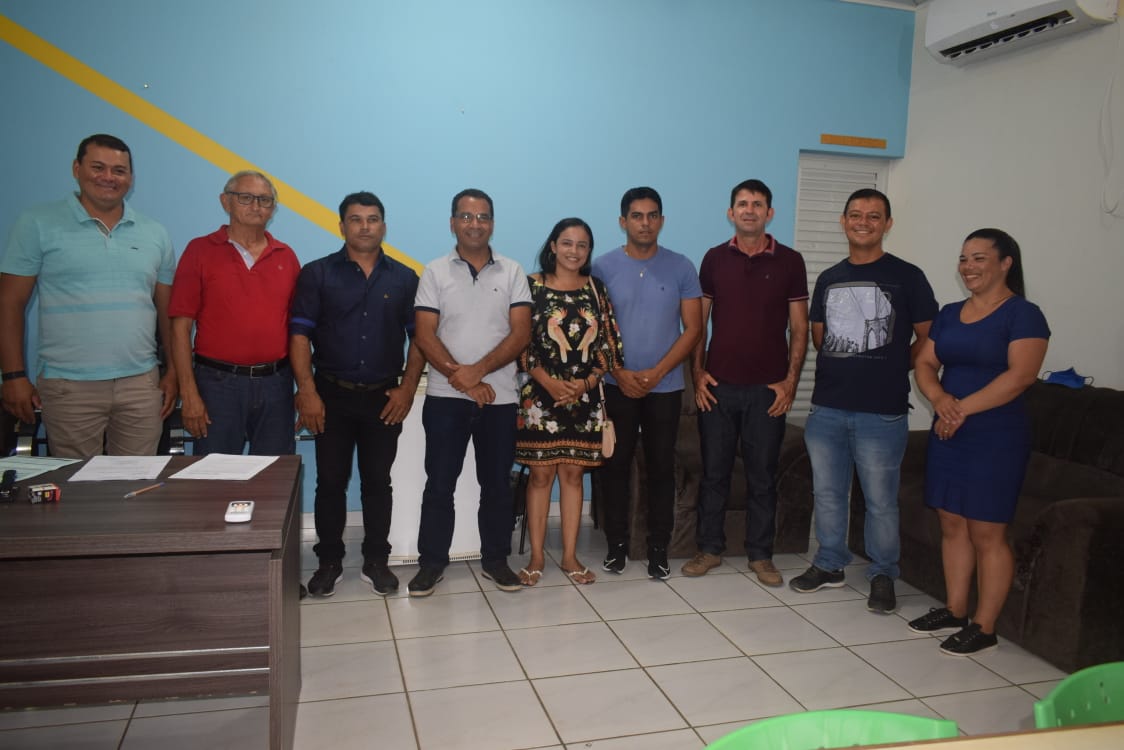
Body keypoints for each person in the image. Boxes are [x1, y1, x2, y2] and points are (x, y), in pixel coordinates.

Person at [790, 188, 937, 615]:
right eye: (856, 214)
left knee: (880, 500)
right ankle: (829, 563)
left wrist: (898, 365)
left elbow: (930, 336)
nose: (864, 222)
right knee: (828, 493)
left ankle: (883, 573)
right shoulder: (830, 277)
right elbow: (820, 337)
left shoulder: (908, 276)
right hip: (828, 408)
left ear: (887, 224)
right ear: (843, 222)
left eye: (874, 216)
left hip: (882, 410)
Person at [909, 228, 1049, 655]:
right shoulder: (950, 313)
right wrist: (939, 399)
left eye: (979, 258)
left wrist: (959, 410)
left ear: (1006, 263)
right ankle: (955, 610)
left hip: (995, 436)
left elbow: (1021, 376)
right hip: (950, 430)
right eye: (963, 258)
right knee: (952, 523)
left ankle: (984, 626)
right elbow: (925, 362)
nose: (968, 267)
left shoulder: (1023, 314)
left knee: (987, 530)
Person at [0, 134, 177, 457]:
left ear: (130, 178)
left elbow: (168, 312)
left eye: (119, 170)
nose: (108, 177)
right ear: (76, 169)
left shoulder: (155, 233)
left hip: (141, 384)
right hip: (69, 386)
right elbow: (9, 303)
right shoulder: (37, 223)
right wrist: (13, 376)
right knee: (75, 484)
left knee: (136, 482)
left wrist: (174, 372)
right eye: (98, 167)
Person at [290, 191, 424, 597]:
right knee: (330, 481)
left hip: (384, 399)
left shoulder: (404, 278)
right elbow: (299, 336)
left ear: (383, 225)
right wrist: (307, 391)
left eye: (372, 219)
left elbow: (419, 340)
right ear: (342, 226)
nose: (365, 227)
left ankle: (376, 560)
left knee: (378, 482)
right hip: (330, 396)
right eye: (356, 219)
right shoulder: (317, 274)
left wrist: (407, 389)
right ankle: (329, 561)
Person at [683, 179, 808, 587]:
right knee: (714, 474)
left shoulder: (791, 262)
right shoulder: (714, 259)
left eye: (757, 204)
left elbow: (799, 329)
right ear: (730, 212)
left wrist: (790, 383)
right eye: (742, 203)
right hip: (718, 388)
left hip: (768, 391)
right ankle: (709, 549)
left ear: (769, 213)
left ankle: (761, 555)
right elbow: (698, 323)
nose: (749, 210)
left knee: (762, 477)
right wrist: (697, 374)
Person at [409, 188, 532, 596]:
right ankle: (431, 564)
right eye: (466, 216)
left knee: (496, 485)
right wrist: (461, 378)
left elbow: (521, 333)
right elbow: (424, 334)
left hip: (500, 398)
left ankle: (496, 560)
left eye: (482, 217)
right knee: (439, 485)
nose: (474, 224)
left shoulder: (513, 271)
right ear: (452, 223)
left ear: (492, 223)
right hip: (446, 399)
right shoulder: (434, 272)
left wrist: (477, 373)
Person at [594, 187, 703, 580]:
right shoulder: (601, 267)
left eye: (652, 215)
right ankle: (617, 546)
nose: (645, 223)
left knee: (661, 468)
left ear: (662, 220)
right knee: (615, 466)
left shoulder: (681, 267)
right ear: (623, 221)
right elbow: (594, 328)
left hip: (666, 386)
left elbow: (694, 329)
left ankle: (659, 548)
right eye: (637, 216)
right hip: (615, 384)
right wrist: (619, 372)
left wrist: (657, 373)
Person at [515, 218, 624, 586]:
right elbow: (519, 341)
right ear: (553, 246)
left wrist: (586, 383)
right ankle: (535, 557)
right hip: (539, 399)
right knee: (540, 476)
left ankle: (570, 556)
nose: (574, 251)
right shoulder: (530, 286)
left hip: (584, 398)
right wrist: (547, 381)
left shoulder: (596, 288)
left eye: (582, 245)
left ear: (588, 251)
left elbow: (609, 345)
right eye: (567, 243)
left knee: (574, 475)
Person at [169, 170, 300, 455]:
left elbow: (297, 332)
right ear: (225, 201)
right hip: (217, 385)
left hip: (275, 385)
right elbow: (180, 328)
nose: (256, 206)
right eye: (246, 198)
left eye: (265, 200)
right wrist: (188, 393)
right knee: (215, 475)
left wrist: (304, 387)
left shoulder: (286, 256)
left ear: (273, 209)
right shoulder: (200, 251)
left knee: (274, 474)